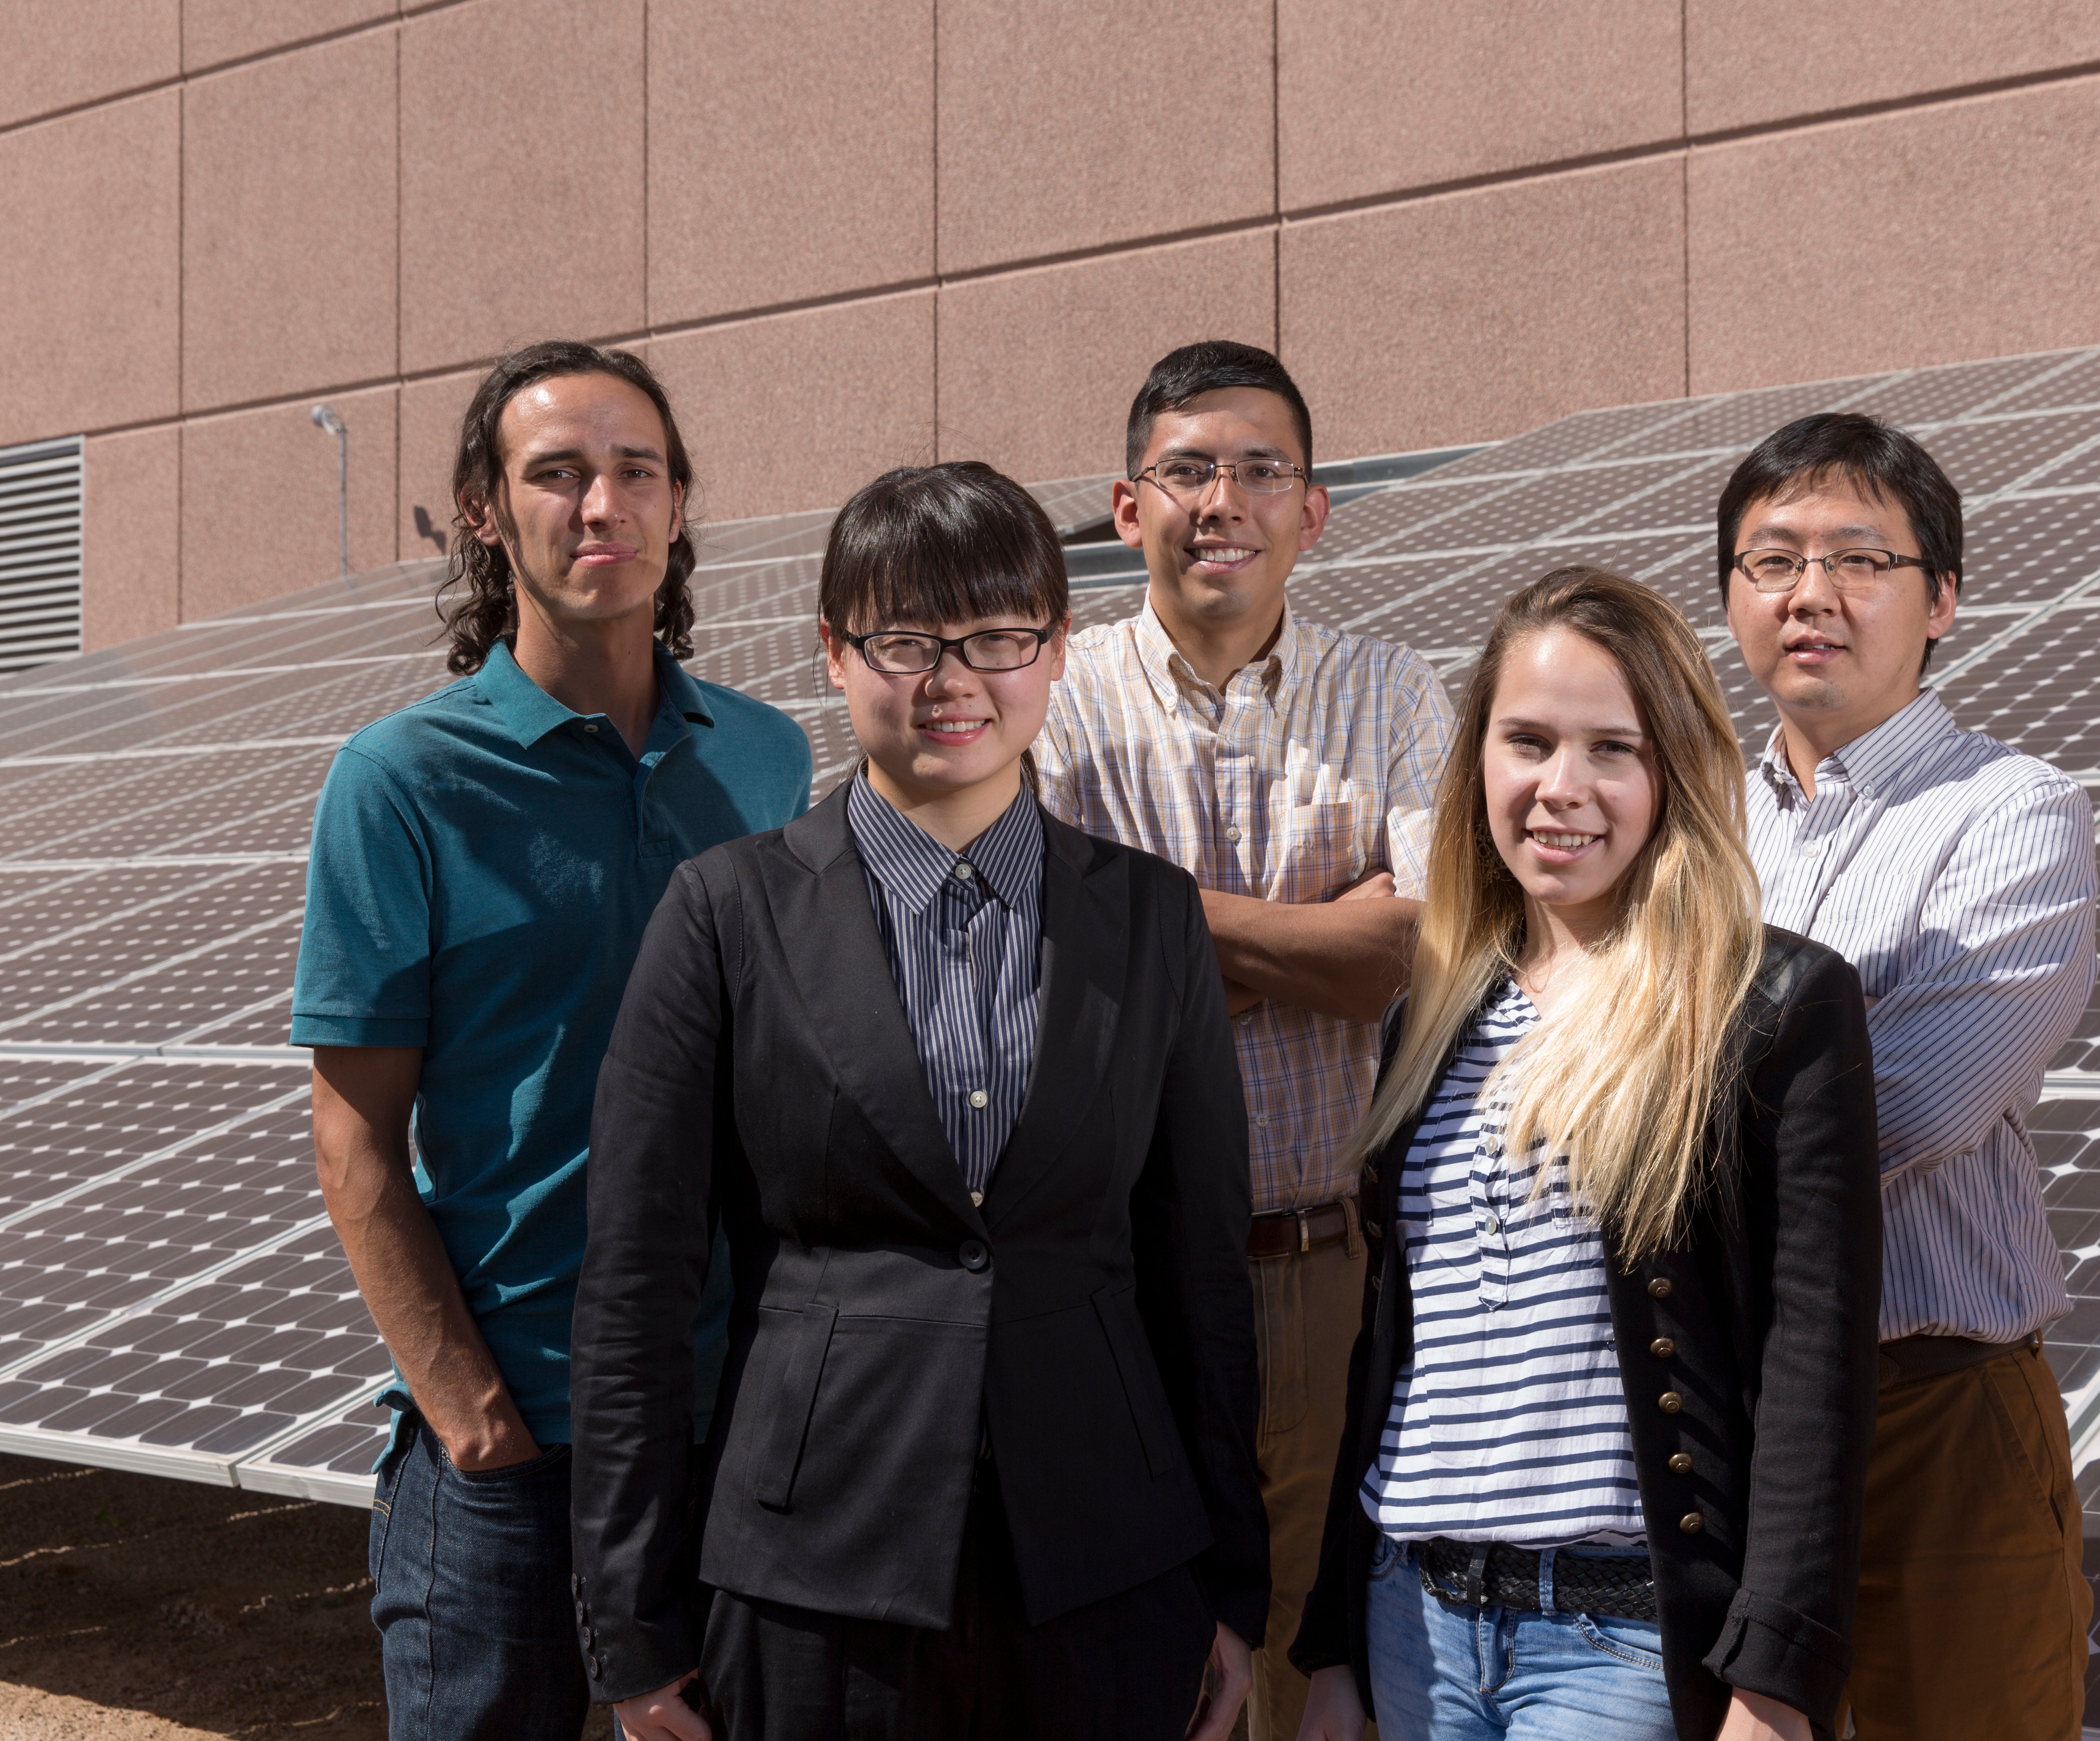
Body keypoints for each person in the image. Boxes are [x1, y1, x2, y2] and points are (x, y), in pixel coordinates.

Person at [572, 462, 1270, 1741]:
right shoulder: (726, 915)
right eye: (903, 640)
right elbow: (636, 1289)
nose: (953, 681)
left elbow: (1198, 1274)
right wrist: (631, 1628)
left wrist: (1234, 1586)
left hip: (1108, 1566)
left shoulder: (1150, 916)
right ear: (834, 655)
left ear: (1056, 651)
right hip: (814, 1579)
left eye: (999, 636)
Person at [292, 341, 813, 1740]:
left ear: (680, 504)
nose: (602, 506)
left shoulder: (766, 760)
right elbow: (354, 1136)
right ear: (484, 510)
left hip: (734, 1428)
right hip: (513, 1453)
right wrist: (469, 1415)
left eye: (636, 472)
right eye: (558, 474)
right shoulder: (401, 782)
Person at [1290, 567, 1883, 1741]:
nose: (1563, 788)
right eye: (1528, 742)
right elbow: (1396, 1361)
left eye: (1612, 749)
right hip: (1412, 1621)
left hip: (1616, 1645)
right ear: (1480, 766)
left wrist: (1775, 1682)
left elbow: (1815, 1369)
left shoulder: (1769, 1008)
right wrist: (1333, 1652)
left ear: (1673, 775)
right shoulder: (1431, 1018)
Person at [1036, 340, 1455, 1739]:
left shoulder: (1397, 691)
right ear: (1125, 504)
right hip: (1111, 1277)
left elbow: (1420, 954)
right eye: (1189, 470)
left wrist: (1137, 928)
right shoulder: (1048, 697)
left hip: (1327, 1267)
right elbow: (1033, 969)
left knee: (1310, 1662)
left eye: (1262, 470)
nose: (1226, 499)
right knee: (1137, 1662)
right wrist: (1316, 939)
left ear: (1314, 510)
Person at [1716, 412, 2099, 1740]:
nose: (1810, 595)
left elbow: (1916, 1105)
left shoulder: (2011, 811)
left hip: (1928, 1410)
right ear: (1731, 597)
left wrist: (1640, 1135)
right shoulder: (1685, 815)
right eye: (1772, 561)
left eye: (1859, 559)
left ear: (1941, 599)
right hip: (1723, 1404)